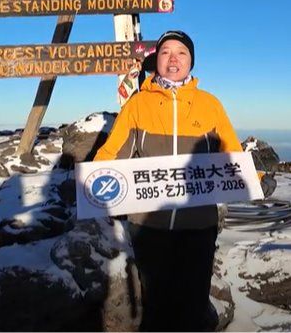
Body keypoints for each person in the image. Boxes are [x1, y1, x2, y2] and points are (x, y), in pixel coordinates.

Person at [93, 30, 242, 332]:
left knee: (194, 304)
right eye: (165, 52)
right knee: (157, 304)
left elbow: (231, 153)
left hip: (198, 224)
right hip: (149, 226)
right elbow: (112, 153)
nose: (173, 59)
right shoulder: (138, 104)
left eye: (181, 52)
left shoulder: (210, 104)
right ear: (156, 60)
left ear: (191, 62)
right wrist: (91, 184)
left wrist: (257, 179)